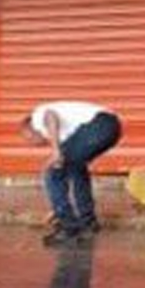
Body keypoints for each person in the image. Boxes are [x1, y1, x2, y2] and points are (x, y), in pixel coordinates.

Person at [22, 100, 123, 246]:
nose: (35, 144)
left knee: (53, 172)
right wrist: (57, 206)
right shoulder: (65, 133)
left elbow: (50, 116)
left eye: (29, 140)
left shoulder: (37, 116)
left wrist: (56, 151)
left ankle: (69, 228)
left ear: (29, 129)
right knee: (76, 168)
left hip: (98, 124)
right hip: (112, 127)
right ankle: (87, 222)